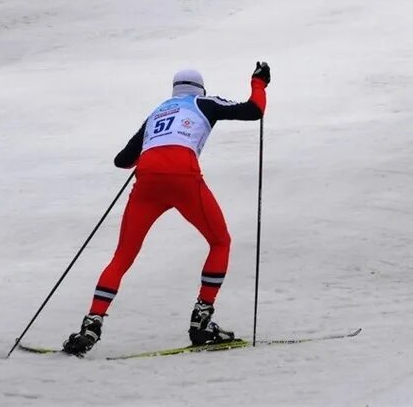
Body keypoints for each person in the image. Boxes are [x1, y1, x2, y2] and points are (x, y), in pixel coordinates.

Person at [61, 63, 271, 357]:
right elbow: (253, 110)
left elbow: (122, 160)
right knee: (220, 241)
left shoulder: (158, 111)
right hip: (183, 176)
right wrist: (258, 82)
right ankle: (201, 322)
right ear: (200, 89)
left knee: (122, 256)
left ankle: (91, 325)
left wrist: (152, 149)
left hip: (147, 181)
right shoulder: (204, 102)